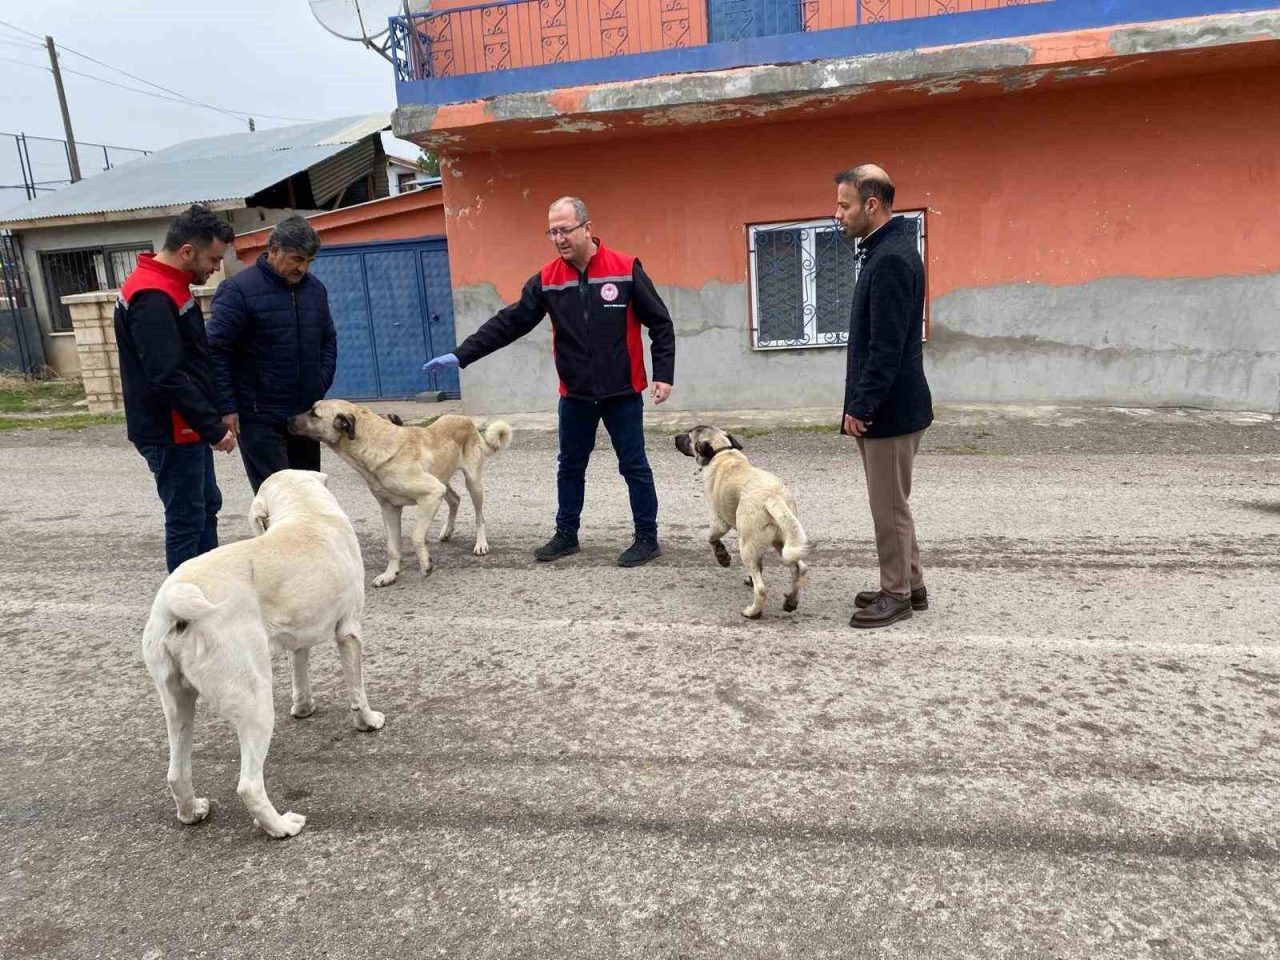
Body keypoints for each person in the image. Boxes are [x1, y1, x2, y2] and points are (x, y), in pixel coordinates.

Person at [424, 196, 675, 567]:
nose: (559, 239)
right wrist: (462, 355)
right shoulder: (548, 279)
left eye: (565, 230)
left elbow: (660, 323)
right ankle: (566, 534)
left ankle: (646, 538)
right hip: (574, 394)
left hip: (622, 391)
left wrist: (663, 375)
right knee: (570, 465)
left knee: (634, 465)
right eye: (552, 232)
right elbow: (509, 322)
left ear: (587, 228)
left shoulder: (624, 269)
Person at [834, 164, 934, 628]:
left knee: (888, 506)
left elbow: (887, 347)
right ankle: (909, 584)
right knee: (895, 502)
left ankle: (895, 595)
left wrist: (862, 405)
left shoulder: (891, 258)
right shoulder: (887, 249)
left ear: (871, 205)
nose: (837, 214)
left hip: (889, 412)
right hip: (892, 407)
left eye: (844, 204)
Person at [114, 204, 238, 573]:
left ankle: (208, 583)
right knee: (186, 516)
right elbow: (167, 375)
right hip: (170, 430)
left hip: (187, 427)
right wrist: (213, 428)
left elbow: (192, 361)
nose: (215, 269)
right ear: (187, 251)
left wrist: (215, 412)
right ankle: (187, 606)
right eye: (213, 260)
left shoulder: (171, 286)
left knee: (205, 505)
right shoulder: (152, 295)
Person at [207, 215, 336, 493]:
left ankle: (308, 539)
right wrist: (226, 406)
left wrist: (320, 380)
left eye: (308, 261)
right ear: (274, 250)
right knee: (279, 496)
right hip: (258, 416)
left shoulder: (315, 290)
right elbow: (216, 350)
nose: (302, 268)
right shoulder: (238, 290)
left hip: (303, 412)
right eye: (296, 259)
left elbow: (328, 339)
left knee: (310, 494)